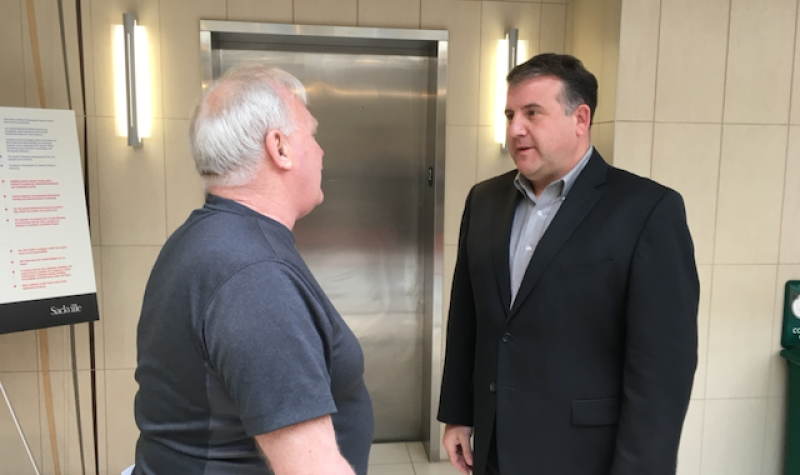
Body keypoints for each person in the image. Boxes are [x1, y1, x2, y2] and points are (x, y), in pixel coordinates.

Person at [437, 53, 699, 475]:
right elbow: (468, 315)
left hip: (583, 455)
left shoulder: (647, 210)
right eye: (509, 114)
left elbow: (662, 368)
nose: (514, 129)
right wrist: (458, 412)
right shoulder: (484, 200)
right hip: (495, 448)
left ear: (580, 118)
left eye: (532, 113)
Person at [132, 65, 374, 475]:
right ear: (279, 147)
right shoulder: (253, 277)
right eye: (311, 134)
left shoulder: (201, 238)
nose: (321, 150)